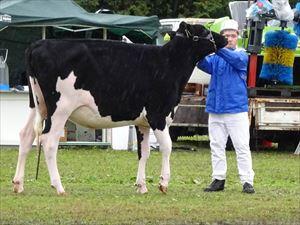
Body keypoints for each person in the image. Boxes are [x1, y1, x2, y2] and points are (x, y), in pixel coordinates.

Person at [197, 19, 255, 194]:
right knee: (216, 145)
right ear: (222, 37)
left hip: (236, 109)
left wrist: (216, 46)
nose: (230, 38)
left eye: (232, 35)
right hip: (215, 109)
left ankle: (247, 181)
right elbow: (201, 63)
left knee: (242, 146)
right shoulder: (216, 58)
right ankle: (218, 178)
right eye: (226, 36)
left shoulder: (241, 55)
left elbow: (234, 60)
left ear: (238, 37)